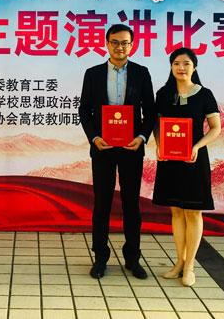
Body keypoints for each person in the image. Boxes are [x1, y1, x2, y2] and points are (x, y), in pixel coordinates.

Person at [79, 24, 156, 279]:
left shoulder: (141, 73)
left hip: (131, 148)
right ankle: (100, 258)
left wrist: (141, 137)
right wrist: (95, 138)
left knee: (131, 204)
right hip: (103, 147)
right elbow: (84, 110)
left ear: (132, 45)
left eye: (125, 42)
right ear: (106, 43)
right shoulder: (93, 74)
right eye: (115, 42)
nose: (119, 47)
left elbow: (150, 110)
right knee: (101, 203)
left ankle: (133, 258)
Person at [152, 47, 221, 287]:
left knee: (193, 212)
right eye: (176, 63)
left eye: (186, 63)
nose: (181, 68)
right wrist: (159, 145)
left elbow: (215, 127)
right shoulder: (163, 94)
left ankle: (190, 265)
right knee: (176, 211)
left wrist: (197, 146)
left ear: (194, 67)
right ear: (171, 67)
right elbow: (157, 123)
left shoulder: (204, 94)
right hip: (170, 161)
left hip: (194, 160)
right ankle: (179, 262)